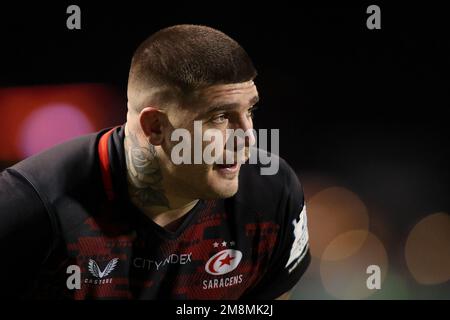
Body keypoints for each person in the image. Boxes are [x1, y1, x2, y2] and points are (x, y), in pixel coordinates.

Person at [0, 24, 310, 299]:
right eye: (219, 117)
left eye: (250, 112)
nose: (249, 139)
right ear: (155, 128)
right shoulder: (29, 208)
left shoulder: (271, 197)